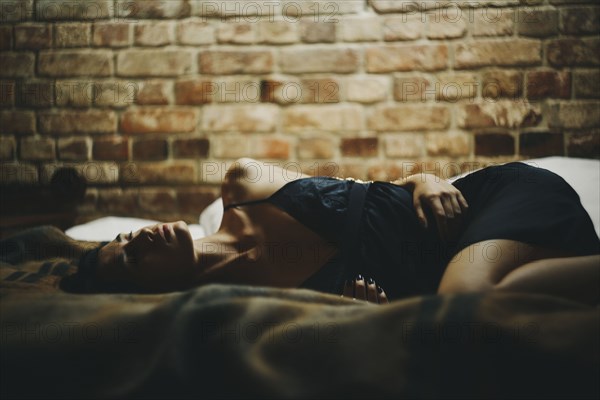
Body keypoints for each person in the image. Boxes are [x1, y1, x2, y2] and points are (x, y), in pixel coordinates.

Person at [93, 158, 599, 305]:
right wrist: (372, 319)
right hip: (508, 260)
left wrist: (425, 180)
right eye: (129, 258)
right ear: (150, 293)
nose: (133, 238)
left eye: (122, 237)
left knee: (463, 298)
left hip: (496, 200)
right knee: (479, 300)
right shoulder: (258, 307)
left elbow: (379, 187)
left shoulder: (245, 184)